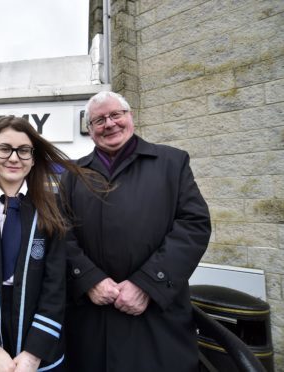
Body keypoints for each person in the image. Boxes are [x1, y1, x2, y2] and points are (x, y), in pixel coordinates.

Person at [62, 91, 211, 371]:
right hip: (92, 323)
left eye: (116, 115)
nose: (109, 124)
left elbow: (194, 225)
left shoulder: (172, 163)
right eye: (99, 120)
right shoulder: (73, 174)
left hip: (157, 321)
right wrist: (88, 279)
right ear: (90, 130)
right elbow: (61, 232)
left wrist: (147, 284)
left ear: (130, 117)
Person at [0, 116, 101, 372]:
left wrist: (33, 354)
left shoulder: (52, 206)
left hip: (36, 332)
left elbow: (56, 286)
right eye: (5, 148)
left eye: (24, 150)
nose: (14, 158)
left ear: (33, 158)